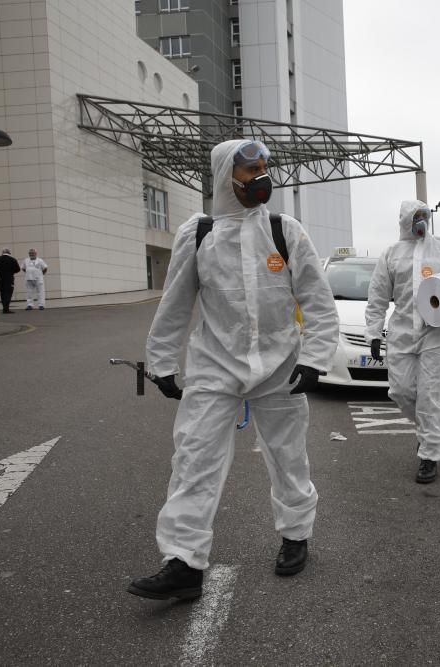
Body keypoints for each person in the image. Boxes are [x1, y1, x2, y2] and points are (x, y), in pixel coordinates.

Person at [128, 139, 339, 601]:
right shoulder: (198, 233)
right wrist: (161, 362)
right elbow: (175, 303)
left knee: (288, 457)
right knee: (193, 459)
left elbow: (317, 301)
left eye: (263, 167)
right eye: (249, 170)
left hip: (280, 367)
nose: (260, 177)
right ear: (227, 175)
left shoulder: (284, 231)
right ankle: (183, 562)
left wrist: (314, 359)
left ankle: (296, 534)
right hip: (214, 366)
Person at [365, 200, 440, 484]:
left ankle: (430, 455)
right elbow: (377, 296)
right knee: (400, 391)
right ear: (404, 220)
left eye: (424, 215)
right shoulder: (391, 254)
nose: (421, 221)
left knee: (430, 396)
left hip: (436, 334)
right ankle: (428, 433)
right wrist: (373, 332)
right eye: (416, 217)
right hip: (401, 333)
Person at [0, 248, 21, 314]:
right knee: (8, 293)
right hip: (9, 279)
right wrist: (11, 272)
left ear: (2, 253)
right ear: (9, 253)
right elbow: (18, 269)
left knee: (2, 293)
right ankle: (6, 309)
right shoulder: (12, 259)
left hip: (0, 279)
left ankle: (4, 307)